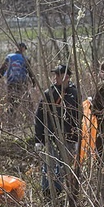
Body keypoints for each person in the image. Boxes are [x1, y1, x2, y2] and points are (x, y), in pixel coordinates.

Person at [33, 63, 81, 198]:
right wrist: (38, 139)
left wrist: (77, 139)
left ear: (67, 76)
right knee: (48, 166)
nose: (56, 78)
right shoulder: (49, 94)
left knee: (64, 167)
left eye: (58, 75)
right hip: (51, 137)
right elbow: (39, 117)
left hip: (68, 138)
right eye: (55, 75)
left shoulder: (74, 94)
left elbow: (78, 118)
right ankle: (48, 194)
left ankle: (64, 194)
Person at [0, 42, 36, 113]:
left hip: (11, 84)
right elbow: (30, 72)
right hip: (22, 84)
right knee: (27, 102)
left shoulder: (9, 57)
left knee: (11, 104)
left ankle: (11, 119)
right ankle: (29, 116)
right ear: (23, 48)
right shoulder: (26, 58)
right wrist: (34, 83)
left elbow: (2, 70)